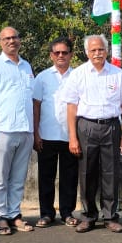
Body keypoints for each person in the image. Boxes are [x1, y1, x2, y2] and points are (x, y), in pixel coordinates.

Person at [62, 34, 122, 233]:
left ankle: (110, 216)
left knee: (111, 173)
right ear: (87, 52)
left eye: (101, 49)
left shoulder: (118, 74)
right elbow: (71, 106)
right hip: (87, 127)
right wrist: (73, 137)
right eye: (93, 50)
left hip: (111, 126)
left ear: (106, 51)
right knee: (87, 172)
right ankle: (89, 215)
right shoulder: (78, 74)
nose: (97, 53)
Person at [0, 27, 35, 236]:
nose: (12, 41)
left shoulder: (26, 66)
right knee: (1, 177)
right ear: (0, 42)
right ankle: (1, 216)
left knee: (18, 177)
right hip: (3, 129)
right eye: (7, 38)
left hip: (25, 129)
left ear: (20, 40)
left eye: (15, 37)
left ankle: (14, 213)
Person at [32, 37, 79, 228]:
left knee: (70, 177)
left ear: (71, 55)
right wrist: (36, 133)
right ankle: (46, 214)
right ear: (51, 55)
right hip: (46, 135)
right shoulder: (42, 77)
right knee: (46, 177)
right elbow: (36, 106)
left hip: (70, 136)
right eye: (57, 52)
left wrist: (77, 136)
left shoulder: (77, 76)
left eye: (64, 52)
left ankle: (67, 213)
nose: (61, 56)